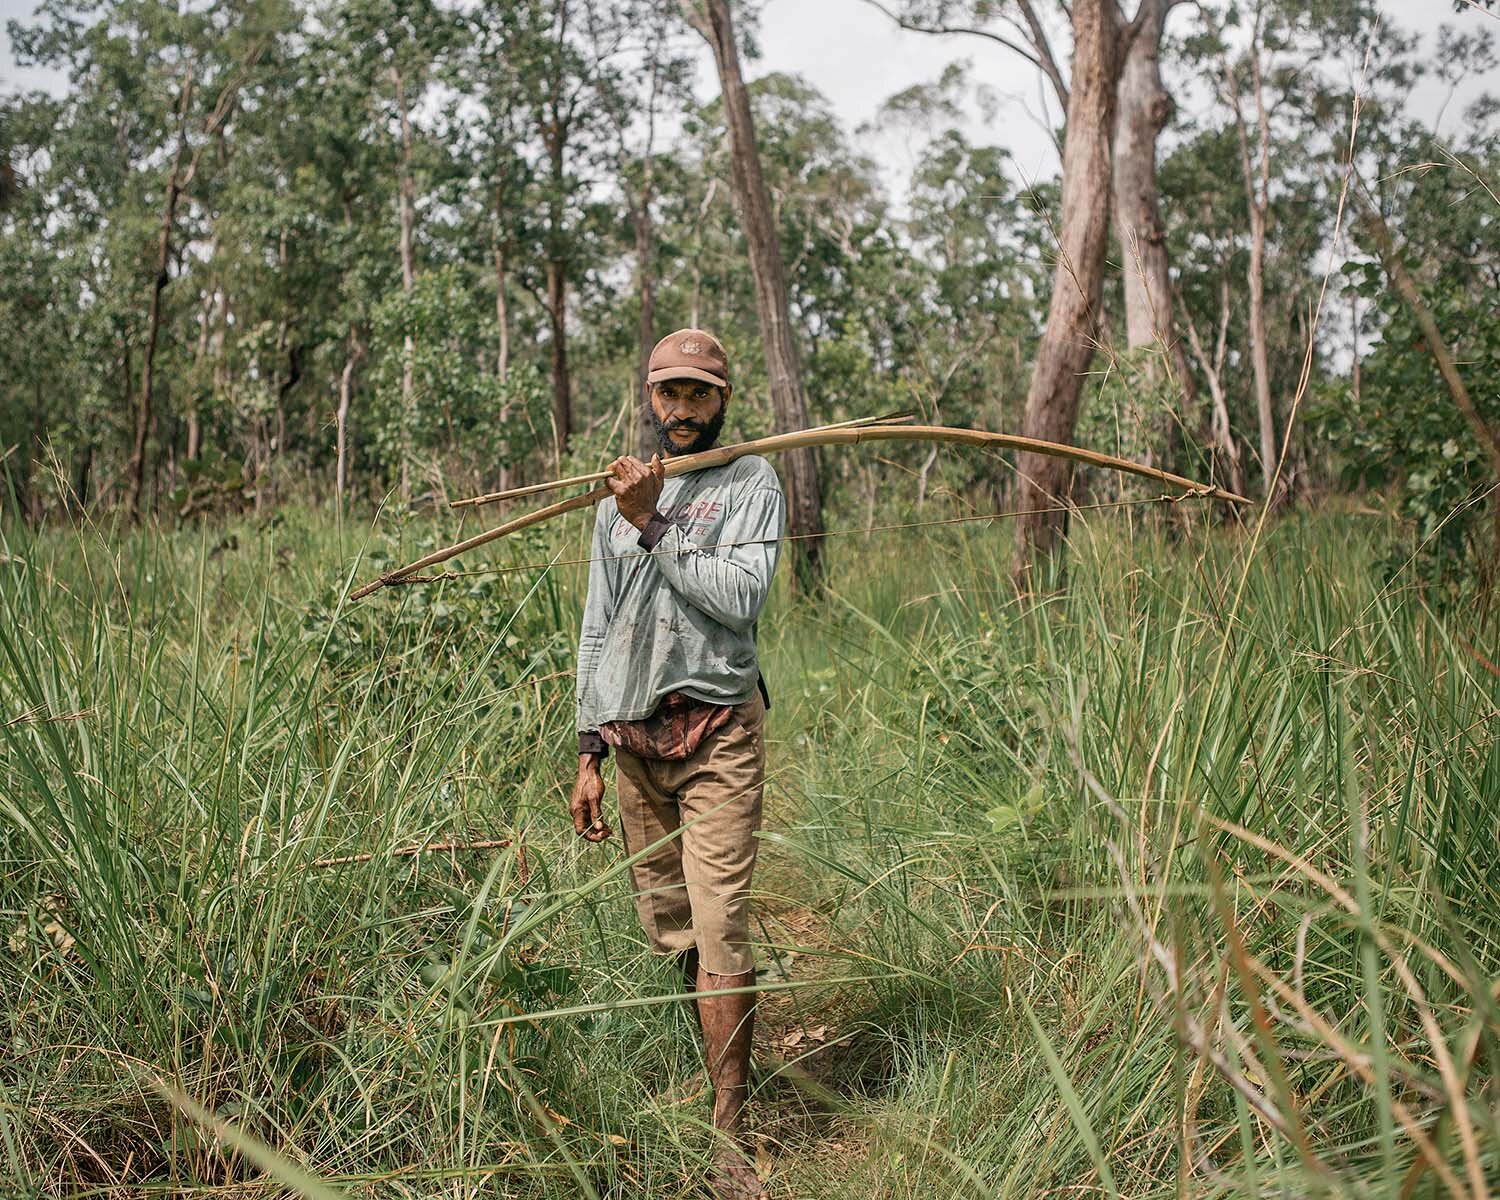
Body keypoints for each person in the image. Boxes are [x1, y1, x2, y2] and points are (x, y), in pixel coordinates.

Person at [571, 328, 783, 1200]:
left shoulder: (750, 483)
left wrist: (654, 523)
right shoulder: (615, 497)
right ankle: (700, 1072)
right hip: (632, 742)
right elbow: (594, 626)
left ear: (722, 397)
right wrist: (587, 747)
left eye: (699, 395)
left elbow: (740, 599)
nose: (683, 411)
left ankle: (727, 1134)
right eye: (669, 394)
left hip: (718, 733)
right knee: (670, 926)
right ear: (650, 397)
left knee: (720, 923)